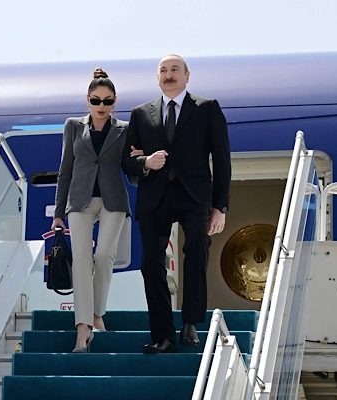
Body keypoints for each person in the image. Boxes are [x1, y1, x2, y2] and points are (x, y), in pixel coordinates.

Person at [122, 54, 231, 354]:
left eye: (174, 70)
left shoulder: (207, 108)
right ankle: (163, 335)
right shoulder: (140, 113)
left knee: (197, 249)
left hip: (194, 196)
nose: (169, 75)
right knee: (150, 263)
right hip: (155, 197)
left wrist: (220, 206)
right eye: (163, 70)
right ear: (157, 77)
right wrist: (146, 161)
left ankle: (190, 323)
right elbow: (126, 162)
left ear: (187, 75)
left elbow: (222, 160)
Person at [52, 68, 131, 353]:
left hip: (113, 200)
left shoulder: (124, 129)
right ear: (87, 100)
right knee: (82, 260)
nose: (101, 106)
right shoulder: (73, 126)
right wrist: (58, 212)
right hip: (80, 200)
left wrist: (143, 162)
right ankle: (83, 327)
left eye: (107, 101)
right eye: (96, 101)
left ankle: (98, 313)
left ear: (114, 101)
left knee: (105, 255)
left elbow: (131, 168)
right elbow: (65, 170)